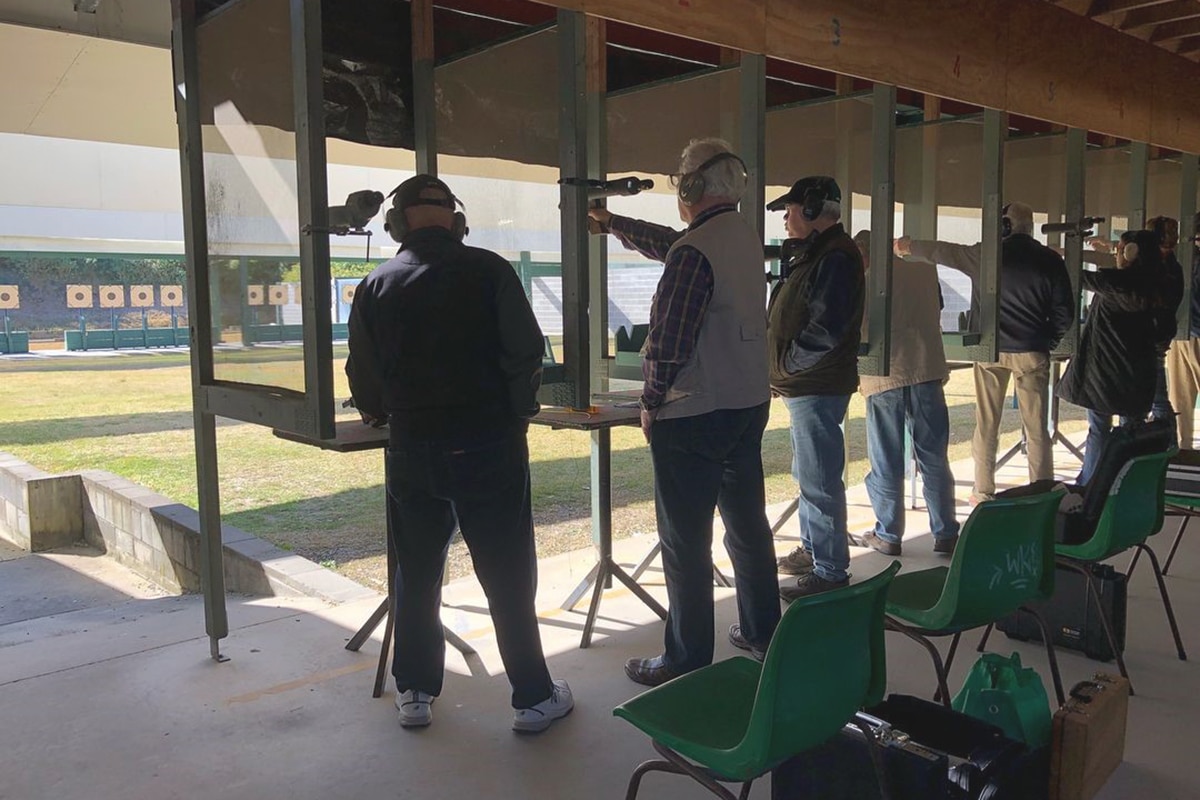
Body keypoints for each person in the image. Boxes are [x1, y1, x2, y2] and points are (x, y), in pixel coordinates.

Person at [345, 174, 573, 733]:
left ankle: (416, 691)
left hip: (410, 450)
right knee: (507, 574)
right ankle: (532, 699)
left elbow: (363, 379)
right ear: (455, 220)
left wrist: (384, 414)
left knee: (416, 575)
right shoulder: (491, 270)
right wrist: (515, 415)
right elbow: (526, 355)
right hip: (488, 446)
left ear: (396, 225)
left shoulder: (375, 285)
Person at [587, 138, 781, 686]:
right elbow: (675, 244)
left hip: (693, 414)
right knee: (747, 527)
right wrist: (615, 223)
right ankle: (764, 630)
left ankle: (686, 656)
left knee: (684, 541)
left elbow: (668, 340)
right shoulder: (740, 238)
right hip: (746, 404)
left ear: (693, 187)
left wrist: (649, 401)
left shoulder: (696, 251)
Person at [895, 202, 1074, 503]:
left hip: (990, 350)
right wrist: (1046, 340)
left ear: (1003, 226)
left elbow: (944, 252)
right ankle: (1042, 493)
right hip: (1032, 350)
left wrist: (909, 246)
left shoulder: (986, 255)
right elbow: (1064, 314)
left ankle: (982, 491)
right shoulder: (1049, 260)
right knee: (1036, 428)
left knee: (986, 425)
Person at [766, 176, 865, 601]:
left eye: (790, 210)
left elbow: (825, 330)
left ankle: (829, 569)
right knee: (808, 473)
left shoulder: (836, 258)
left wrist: (785, 366)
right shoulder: (823, 253)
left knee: (820, 478)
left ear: (810, 210)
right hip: (807, 384)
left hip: (815, 383)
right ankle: (813, 550)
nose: (787, 219)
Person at [851, 230, 959, 557]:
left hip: (884, 375)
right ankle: (946, 532)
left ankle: (888, 533)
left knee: (887, 458)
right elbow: (938, 307)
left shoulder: (866, 281)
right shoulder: (924, 272)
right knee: (934, 458)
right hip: (926, 369)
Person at [1058, 229, 1164, 484]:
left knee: (1098, 430)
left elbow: (1075, 276)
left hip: (1103, 373)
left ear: (1130, 253)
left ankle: (1090, 485)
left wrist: (1059, 256)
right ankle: (1125, 482)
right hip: (1137, 373)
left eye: (1120, 250)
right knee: (1131, 432)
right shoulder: (1157, 283)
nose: (1117, 254)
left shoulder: (1114, 284)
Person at [1146, 216, 1185, 426]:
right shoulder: (1174, 267)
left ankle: (1164, 442)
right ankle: (1167, 442)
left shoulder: (1153, 267)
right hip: (1161, 338)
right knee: (1158, 398)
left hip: (1147, 340)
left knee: (1155, 401)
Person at [1167, 212, 1200, 448]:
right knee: (1178, 398)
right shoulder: (1186, 257)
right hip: (1182, 333)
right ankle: (1182, 448)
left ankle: (1183, 447)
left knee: (1180, 398)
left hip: (1184, 332)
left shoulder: (1186, 258)